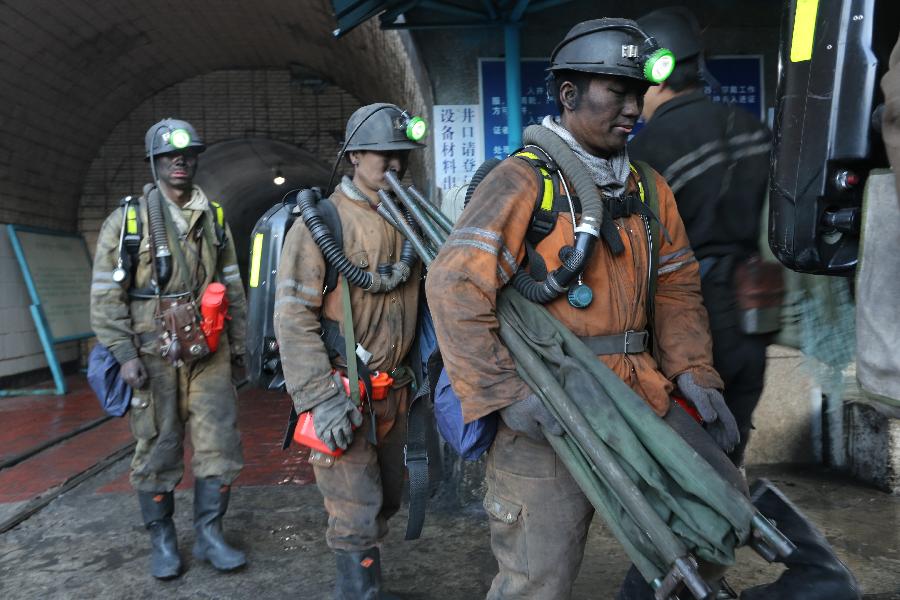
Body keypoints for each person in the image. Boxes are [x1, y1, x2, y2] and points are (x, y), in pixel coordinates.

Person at [426, 18, 745, 600]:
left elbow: (676, 288)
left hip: (639, 397)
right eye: (615, 90)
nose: (632, 106)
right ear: (569, 94)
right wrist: (505, 395)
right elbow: (453, 286)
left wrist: (695, 374)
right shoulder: (522, 181)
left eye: (636, 91)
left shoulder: (648, 187)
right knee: (535, 580)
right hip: (552, 407)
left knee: (713, 522)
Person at [274, 103, 424, 599]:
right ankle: (359, 592)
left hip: (395, 394)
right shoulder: (323, 224)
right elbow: (292, 318)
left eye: (402, 156)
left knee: (385, 500)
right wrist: (320, 397)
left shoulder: (407, 218)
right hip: (345, 395)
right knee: (354, 511)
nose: (397, 166)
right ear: (355, 154)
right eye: (386, 155)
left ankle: (366, 587)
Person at [90, 118, 248, 579]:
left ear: (196, 159)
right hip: (152, 351)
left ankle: (210, 536)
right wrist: (123, 354)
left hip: (208, 349)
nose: (180, 161)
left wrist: (238, 347)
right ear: (155, 163)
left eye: (188, 154)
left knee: (220, 444)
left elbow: (232, 284)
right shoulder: (128, 221)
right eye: (169, 156)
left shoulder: (214, 218)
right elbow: (104, 296)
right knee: (158, 447)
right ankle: (162, 541)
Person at [628, 7, 772, 468]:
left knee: (686, 460)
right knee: (732, 448)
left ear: (654, 76)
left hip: (687, 323)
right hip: (754, 314)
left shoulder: (646, 153)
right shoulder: (754, 131)